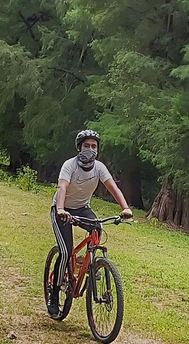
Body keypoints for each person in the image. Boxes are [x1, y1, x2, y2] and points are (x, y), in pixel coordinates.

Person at [47, 129, 134, 316]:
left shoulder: (100, 168)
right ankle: (54, 294)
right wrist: (61, 209)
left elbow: (113, 187)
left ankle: (89, 265)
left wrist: (125, 208)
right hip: (62, 210)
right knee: (65, 250)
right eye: (87, 146)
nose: (90, 149)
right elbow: (62, 187)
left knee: (97, 228)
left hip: (82, 209)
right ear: (79, 147)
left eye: (94, 146)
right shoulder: (69, 166)